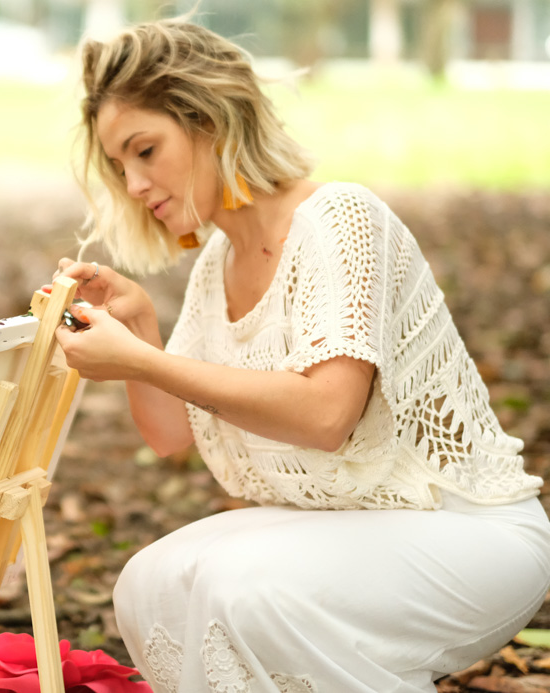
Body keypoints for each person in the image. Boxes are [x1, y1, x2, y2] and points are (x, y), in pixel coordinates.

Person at [50, 18, 550, 693]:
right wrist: (140, 323)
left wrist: (144, 362)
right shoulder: (215, 268)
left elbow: (325, 413)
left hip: (465, 530)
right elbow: (169, 433)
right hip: (352, 529)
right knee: (149, 583)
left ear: (211, 121)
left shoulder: (339, 217)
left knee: (243, 589)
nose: (134, 184)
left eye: (145, 150)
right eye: (120, 166)